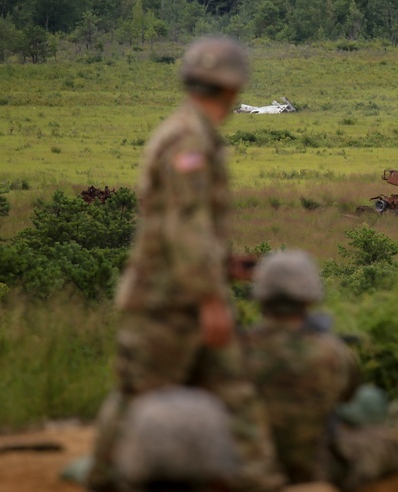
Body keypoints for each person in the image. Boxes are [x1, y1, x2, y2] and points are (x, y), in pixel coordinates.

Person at [88, 36, 282, 492]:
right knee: (141, 398)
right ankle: (102, 480)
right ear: (233, 88)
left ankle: (261, 480)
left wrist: (224, 266)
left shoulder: (192, 133)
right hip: (166, 305)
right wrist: (211, 297)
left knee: (235, 391)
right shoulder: (188, 140)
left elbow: (184, 229)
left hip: (188, 293)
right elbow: (184, 225)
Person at [244, 250, 398, 491]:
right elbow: (349, 396)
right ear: (309, 298)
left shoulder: (233, 351)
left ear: (260, 297)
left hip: (246, 466)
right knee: (374, 444)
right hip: (314, 469)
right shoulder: (333, 353)